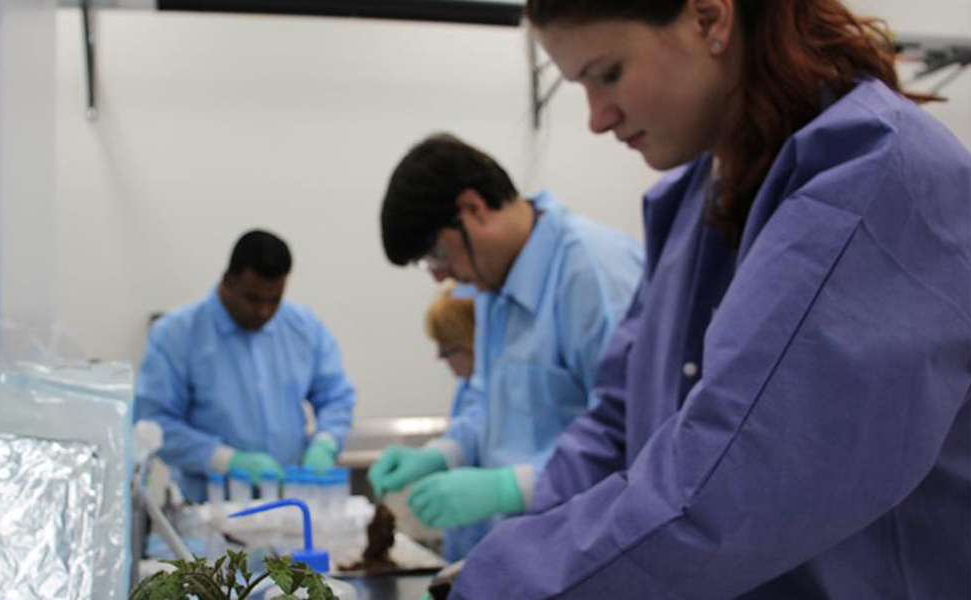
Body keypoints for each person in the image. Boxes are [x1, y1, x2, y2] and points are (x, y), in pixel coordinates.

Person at [446, 0, 971, 598]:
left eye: (608, 73)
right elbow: (618, 428)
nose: (597, 117)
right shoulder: (694, 205)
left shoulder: (876, 178)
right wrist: (520, 542)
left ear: (709, 18)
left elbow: (731, 484)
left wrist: (513, 582)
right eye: (579, 86)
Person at [370, 133, 643, 550]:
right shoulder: (492, 290)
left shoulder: (592, 275)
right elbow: (489, 407)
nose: (440, 276)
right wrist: (444, 453)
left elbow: (637, 436)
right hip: (520, 558)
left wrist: (509, 488)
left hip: (586, 554)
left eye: (438, 254)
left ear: (473, 208)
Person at [134, 230, 357, 502]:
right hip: (211, 512)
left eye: (274, 300)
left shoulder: (303, 328)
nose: (264, 311)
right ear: (227, 281)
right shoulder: (177, 335)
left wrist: (326, 442)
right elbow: (154, 424)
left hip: (287, 507)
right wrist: (225, 460)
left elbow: (336, 397)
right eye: (252, 299)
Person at [421, 284, 489, 562]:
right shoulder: (467, 386)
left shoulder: (499, 387)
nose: (440, 357)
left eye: (448, 349)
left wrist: (441, 453)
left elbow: (479, 424)